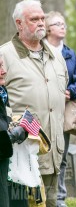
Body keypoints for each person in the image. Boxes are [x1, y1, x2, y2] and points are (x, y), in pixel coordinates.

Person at [0, 0, 68, 207]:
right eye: (34, 19)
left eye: (42, 18)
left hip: (54, 151)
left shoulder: (56, 56)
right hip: (23, 157)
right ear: (19, 24)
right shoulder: (4, 55)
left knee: (52, 201)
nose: (41, 23)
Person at [44, 11, 76, 207]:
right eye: (57, 23)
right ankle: (42, 197)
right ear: (48, 29)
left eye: (64, 24)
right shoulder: (40, 51)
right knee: (44, 155)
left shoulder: (70, 54)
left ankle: (59, 199)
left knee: (61, 156)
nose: (63, 27)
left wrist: (71, 91)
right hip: (43, 111)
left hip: (64, 111)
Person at [0, 55, 28, 207]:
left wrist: (15, 126)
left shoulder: (2, 91)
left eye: (3, 66)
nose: (3, 71)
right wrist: (9, 136)